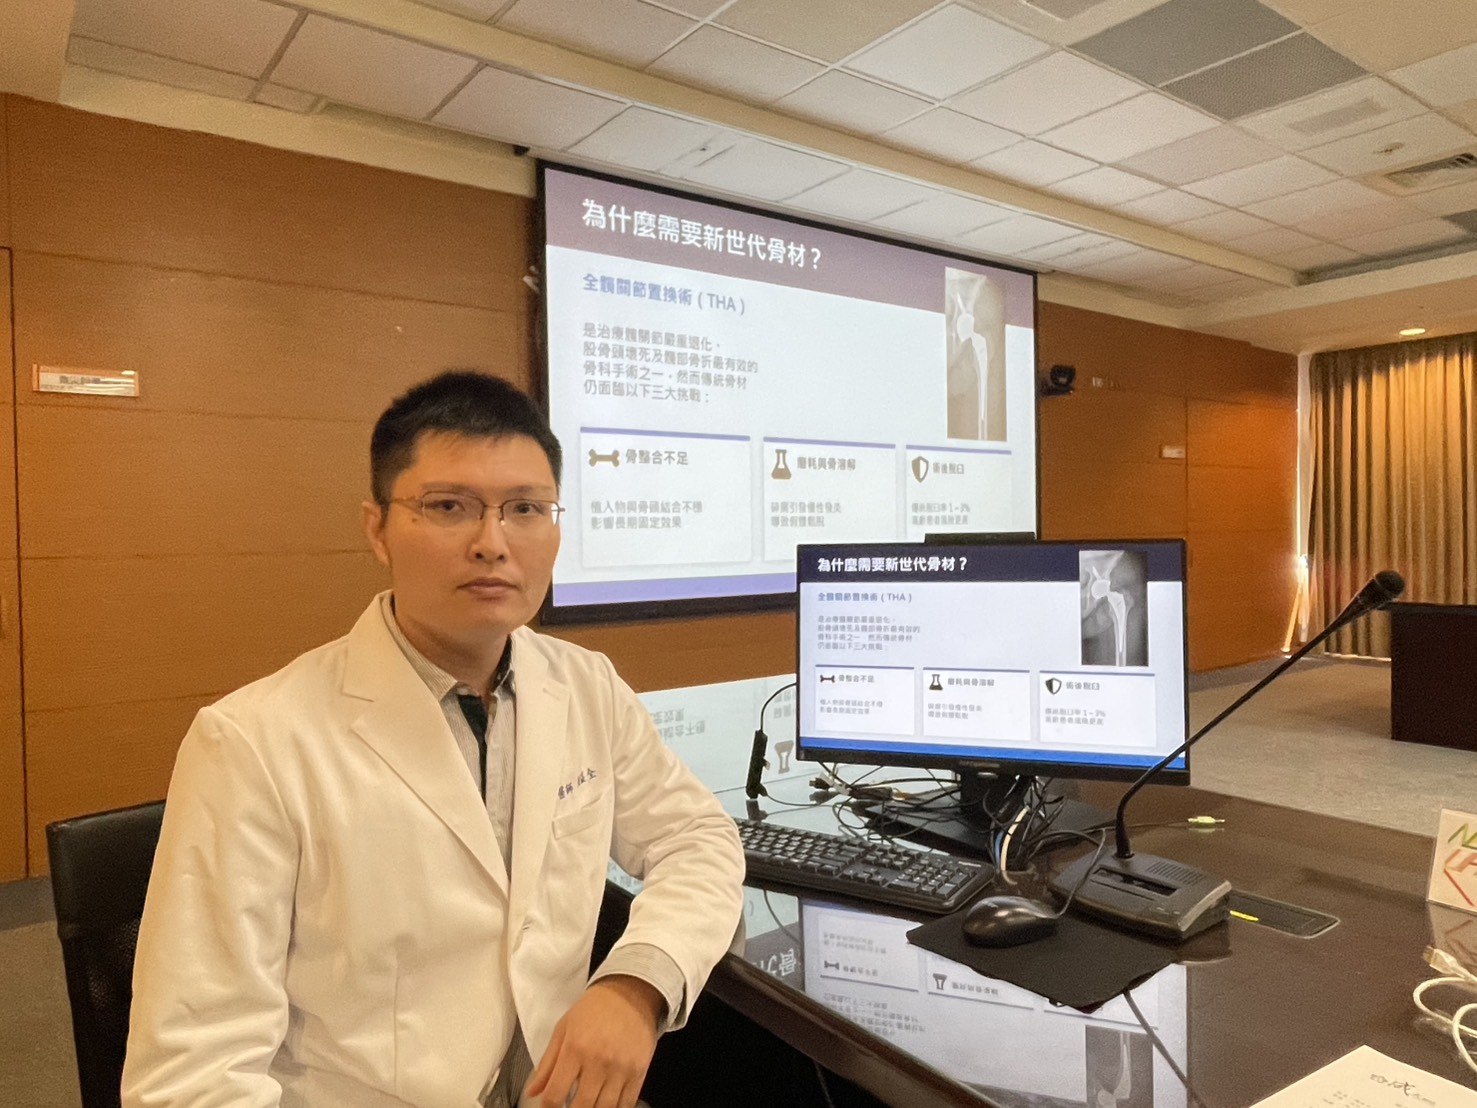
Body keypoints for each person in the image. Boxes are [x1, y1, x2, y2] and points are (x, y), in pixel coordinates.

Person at [122, 371, 746, 1108]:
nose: (492, 544)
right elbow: (193, 1074)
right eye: (449, 507)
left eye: (526, 509)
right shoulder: (254, 742)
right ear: (376, 529)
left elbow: (696, 839)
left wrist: (636, 983)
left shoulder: (586, 685)